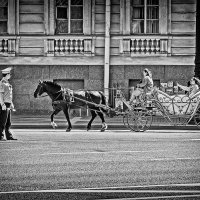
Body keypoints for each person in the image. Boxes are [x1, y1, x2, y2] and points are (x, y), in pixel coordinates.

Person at [0, 67, 17, 141]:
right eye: (9, 74)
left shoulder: (7, 83)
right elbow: (0, 95)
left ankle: (9, 136)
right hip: (4, 104)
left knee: (8, 122)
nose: (10, 75)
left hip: (8, 104)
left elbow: (9, 95)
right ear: (6, 75)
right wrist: (2, 104)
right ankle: (0, 136)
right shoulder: (2, 83)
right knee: (2, 121)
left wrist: (12, 104)